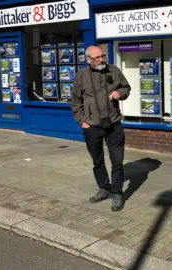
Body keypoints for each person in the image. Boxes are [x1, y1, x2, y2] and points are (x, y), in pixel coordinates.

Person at [71, 46, 131, 212]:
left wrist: (120, 93)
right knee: (97, 160)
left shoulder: (114, 71)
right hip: (92, 126)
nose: (101, 60)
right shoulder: (81, 76)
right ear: (88, 59)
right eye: (97, 58)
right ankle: (104, 188)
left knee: (117, 160)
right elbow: (76, 102)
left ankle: (117, 192)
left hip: (113, 124)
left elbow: (127, 88)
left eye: (102, 56)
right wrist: (82, 121)